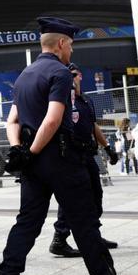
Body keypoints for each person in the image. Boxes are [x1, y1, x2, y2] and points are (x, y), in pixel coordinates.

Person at [0, 17, 138, 275]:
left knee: (26, 225)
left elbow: (11, 121)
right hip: (61, 160)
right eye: (71, 45)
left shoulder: (24, 75)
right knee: (85, 225)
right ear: (61, 43)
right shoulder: (60, 73)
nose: (71, 51)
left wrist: (20, 151)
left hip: (32, 165)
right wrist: (35, 150)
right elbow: (52, 119)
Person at [49, 63, 119, 258]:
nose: (71, 79)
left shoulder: (86, 100)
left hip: (88, 154)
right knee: (70, 197)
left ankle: (94, 235)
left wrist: (107, 148)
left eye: (73, 75)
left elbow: (93, 126)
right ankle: (59, 239)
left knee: (96, 195)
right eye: (67, 75)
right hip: (70, 155)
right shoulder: (61, 100)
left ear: (79, 76)